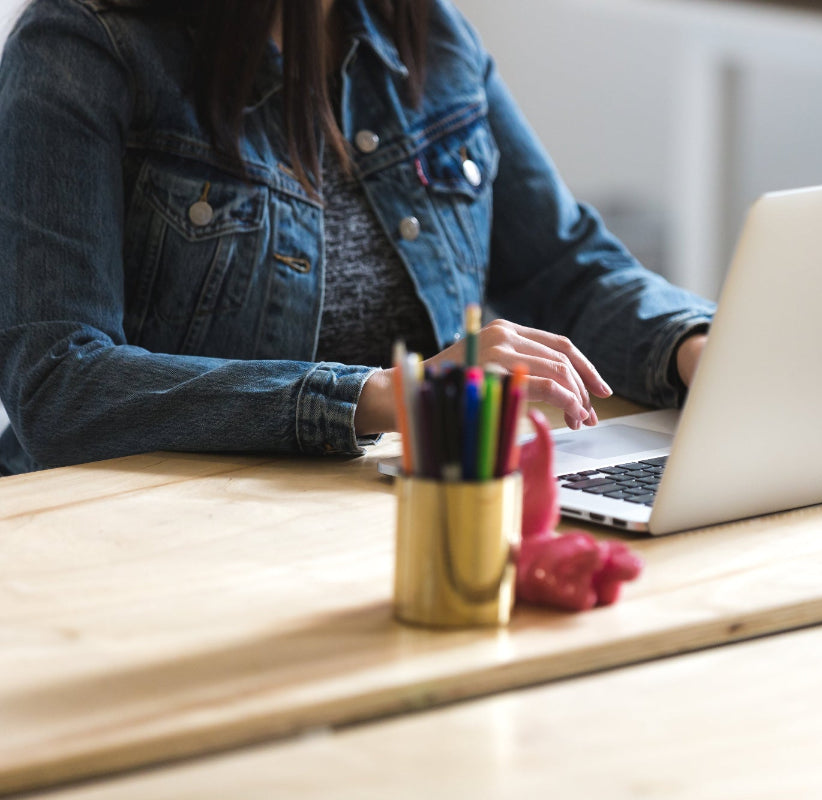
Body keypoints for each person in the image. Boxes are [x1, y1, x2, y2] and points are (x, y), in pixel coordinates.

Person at [0, 0, 714, 476]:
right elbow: (58, 384)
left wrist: (697, 347)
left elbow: (565, 270)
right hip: (136, 543)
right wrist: (382, 395)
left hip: (373, 527)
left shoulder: (427, 31)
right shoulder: (84, 47)